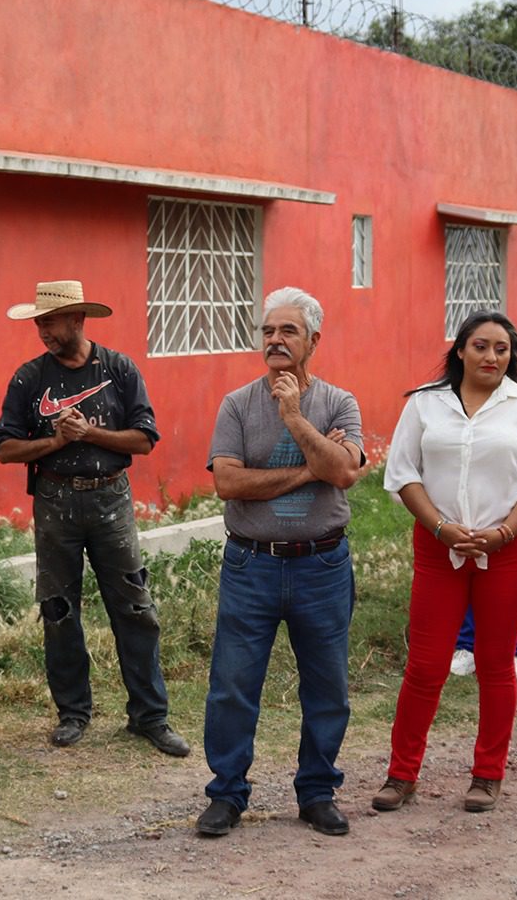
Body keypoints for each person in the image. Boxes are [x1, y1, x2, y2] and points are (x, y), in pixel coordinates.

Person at [373, 310, 517, 814]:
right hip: (439, 548)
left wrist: (501, 533)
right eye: (481, 346)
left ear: (512, 357)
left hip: (509, 549)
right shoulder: (425, 404)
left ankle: (487, 775)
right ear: (460, 350)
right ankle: (401, 774)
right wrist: (441, 527)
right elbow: (403, 473)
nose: (491, 357)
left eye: (501, 349)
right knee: (427, 664)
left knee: (496, 664)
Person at [0, 280, 188, 757]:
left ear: (78, 320)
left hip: (111, 501)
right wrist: (56, 443)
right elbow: (5, 447)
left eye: (50, 321)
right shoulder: (28, 378)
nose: (42, 330)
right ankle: (73, 713)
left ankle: (150, 716)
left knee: (136, 608)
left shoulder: (119, 369)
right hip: (55, 502)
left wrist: (91, 433)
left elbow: (144, 440)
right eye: (38, 322)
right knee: (59, 612)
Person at [198, 286, 363, 838]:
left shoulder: (339, 403)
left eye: (287, 331)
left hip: (322, 565)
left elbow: (343, 473)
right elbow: (228, 482)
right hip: (252, 566)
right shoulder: (237, 405)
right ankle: (226, 795)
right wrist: (312, 465)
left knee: (327, 686)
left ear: (313, 340)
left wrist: (294, 416)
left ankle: (317, 792)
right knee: (233, 685)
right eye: (268, 331)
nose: (274, 340)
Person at [450, 341, 517, 683]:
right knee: (466, 580)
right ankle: (467, 647)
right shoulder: (473, 403)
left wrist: (516, 512)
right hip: (473, 510)